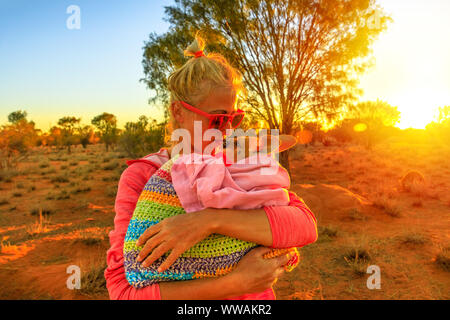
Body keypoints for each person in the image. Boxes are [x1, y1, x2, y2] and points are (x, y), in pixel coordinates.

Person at [104, 34, 318, 300]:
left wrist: (208, 221)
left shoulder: (238, 162)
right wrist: (236, 282)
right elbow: (123, 292)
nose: (227, 130)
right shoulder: (143, 176)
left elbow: (304, 225)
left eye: (235, 118)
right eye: (217, 119)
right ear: (178, 112)